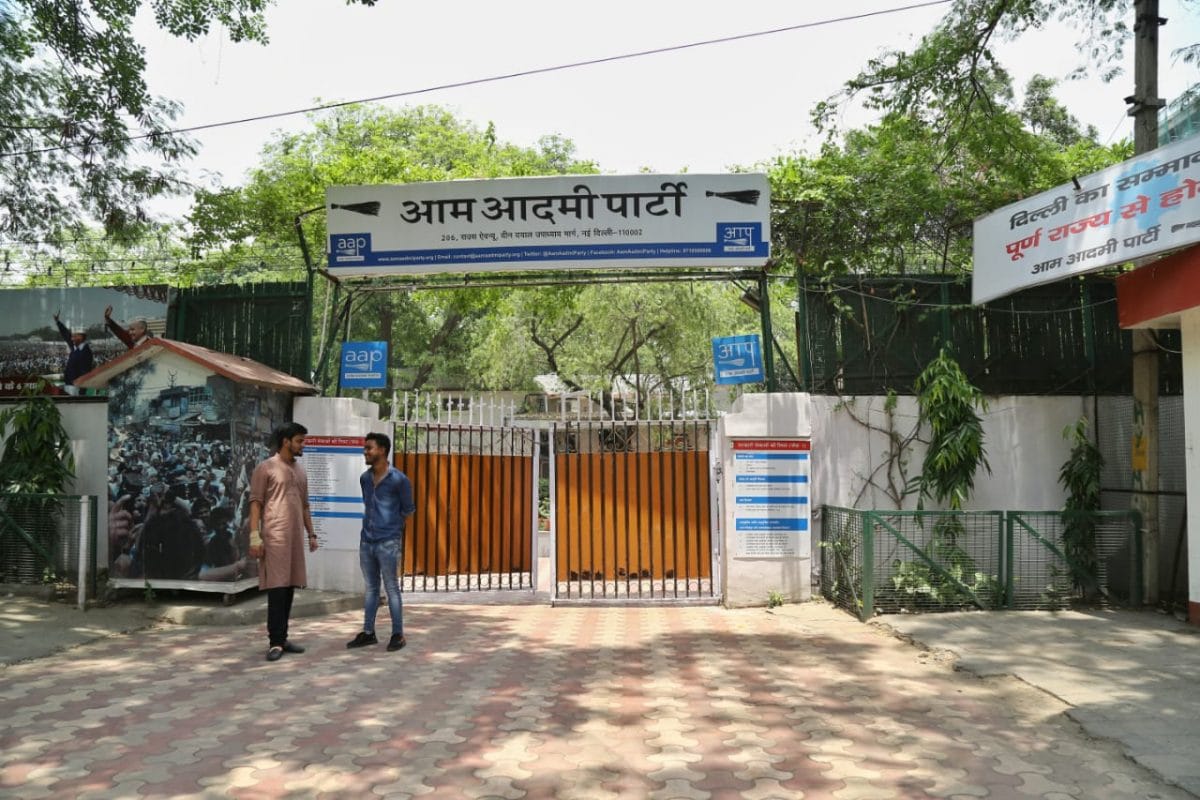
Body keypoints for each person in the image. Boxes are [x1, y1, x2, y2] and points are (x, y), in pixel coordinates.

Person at [248, 422, 318, 662]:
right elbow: (255, 503)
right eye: (299, 441)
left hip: (295, 539)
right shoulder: (265, 468)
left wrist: (311, 534)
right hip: (274, 538)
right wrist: (254, 536)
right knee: (277, 589)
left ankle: (283, 637)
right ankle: (275, 641)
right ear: (286, 441)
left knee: (289, 588)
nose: (303, 446)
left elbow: (306, 505)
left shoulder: (300, 470)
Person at [346, 431, 415, 653]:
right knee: (371, 588)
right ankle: (368, 632)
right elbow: (369, 505)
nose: (365, 452)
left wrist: (392, 529)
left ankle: (398, 634)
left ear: (382, 450)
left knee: (391, 588)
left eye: (369, 448)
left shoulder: (399, 480)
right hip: (367, 541)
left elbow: (408, 510)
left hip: (388, 542)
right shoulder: (365, 478)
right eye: (365, 448)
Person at [52, 310, 94, 394]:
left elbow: (85, 372)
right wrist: (58, 322)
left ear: (81, 337)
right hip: (69, 385)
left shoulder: (86, 352)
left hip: (76, 388)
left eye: (74, 336)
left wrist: (82, 390)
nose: (71, 339)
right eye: (72, 336)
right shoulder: (75, 347)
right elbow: (66, 334)